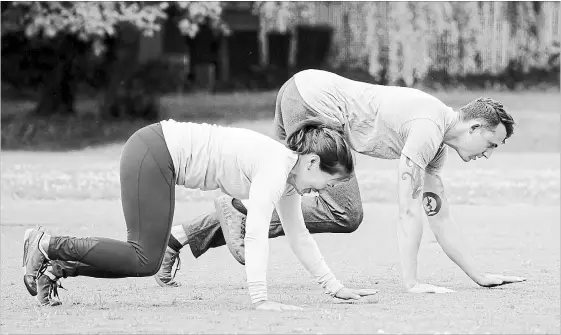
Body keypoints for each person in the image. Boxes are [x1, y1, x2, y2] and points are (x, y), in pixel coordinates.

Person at [155, 69, 526, 293]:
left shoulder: (437, 148)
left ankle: (183, 235)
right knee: (345, 211)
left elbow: (437, 215)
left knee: (283, 189)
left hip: (301, 91)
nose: (486, 154)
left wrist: (479, 275)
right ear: (475, 126)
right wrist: (412, 284)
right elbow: (407, 210)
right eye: (489, 144)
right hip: (314, 102)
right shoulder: (429, 127)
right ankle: (237, 208)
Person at [22, 119, 379, 308]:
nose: (319, 192)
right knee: (145, 257)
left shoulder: (287, 178)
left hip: (156, 155)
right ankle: (48, 243)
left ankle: (55, 267)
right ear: (312, 162)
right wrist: (261, 299)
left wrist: (335, 288)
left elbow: (298, 234)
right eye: (324, 184)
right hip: (153, 151)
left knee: (145, 258)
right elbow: (254, 233)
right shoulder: (275, 166)